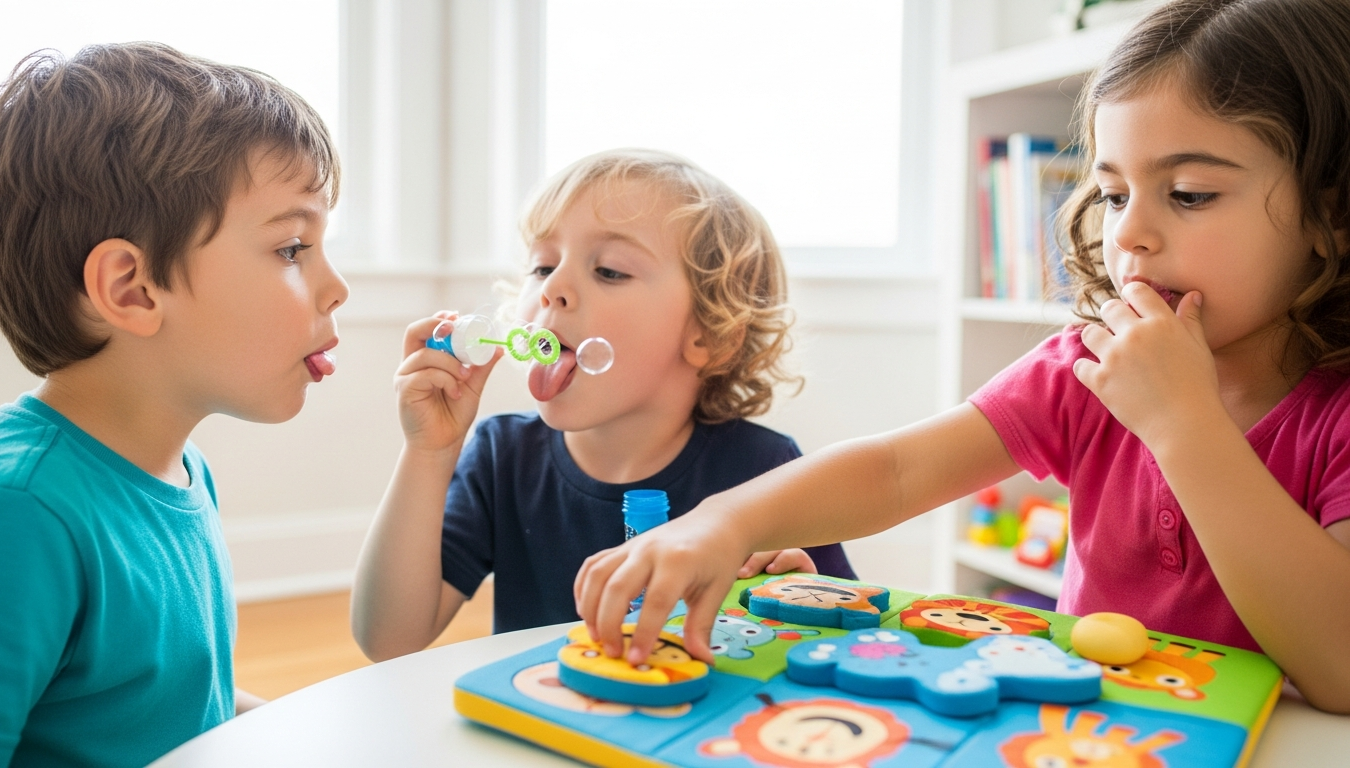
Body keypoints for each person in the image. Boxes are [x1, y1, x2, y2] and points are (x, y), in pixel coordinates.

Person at [572, 0, 1350, 714]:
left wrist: (1184, 426)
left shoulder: (1336, 412)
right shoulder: (1085, 365)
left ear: (1329, 214)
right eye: (1113, 195)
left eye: (1187, 193)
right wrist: (723, 522)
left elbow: (1339, 669)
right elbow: (899, 470)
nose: (1130, 234)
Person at [0, 43, 348, 765]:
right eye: (292, 247)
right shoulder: (13, 513)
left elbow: (182, 714)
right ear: (131, 289)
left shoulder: (180, 470)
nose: (336, 286)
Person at [351, 149, 856, 660]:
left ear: (709, 333)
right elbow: (389, 641)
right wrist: (429, 452)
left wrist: (799, 597)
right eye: (542, 265)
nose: (553, 288)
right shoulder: (503, 456)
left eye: (610, 271)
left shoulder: (765, 472)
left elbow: (853, 639)